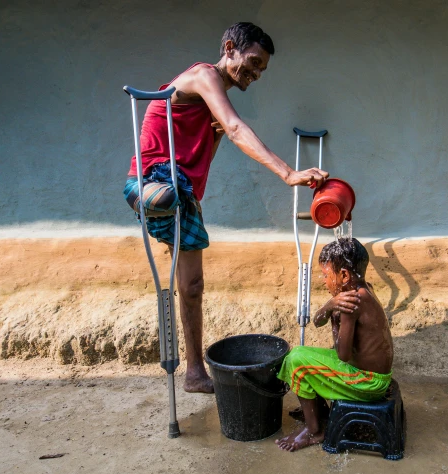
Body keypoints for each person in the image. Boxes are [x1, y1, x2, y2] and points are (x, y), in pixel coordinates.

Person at [124, 22, 328, 394]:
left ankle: (194, 373)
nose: (255, 74)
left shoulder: (207, 103)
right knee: (168, 200)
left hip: (184, 192)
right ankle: (146, 196)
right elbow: (236, 128)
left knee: (192, 286)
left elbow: (204, 156)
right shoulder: (203, 75)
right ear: (230, 47)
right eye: (252, 62)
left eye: (262, 70)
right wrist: (288, 173)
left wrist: (215, 139)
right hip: (156, 178)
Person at [275, 238, 394, 451]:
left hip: (367, 382)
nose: (324, 280)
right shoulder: (364, 289)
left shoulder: (351, 304)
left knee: (297, 361)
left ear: (344, 275)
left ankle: (315, 431)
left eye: (326, 275)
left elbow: (342, 355)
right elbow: (317, 320)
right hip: (372, 375)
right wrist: (330, 306)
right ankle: (316, 410)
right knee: (301, 352)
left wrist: (335, 318)